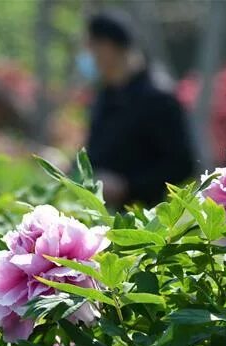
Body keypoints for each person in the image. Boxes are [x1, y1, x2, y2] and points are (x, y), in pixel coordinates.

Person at [80, 10, 197, 207]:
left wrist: (128, 186)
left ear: (108, 47)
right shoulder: (106, 95)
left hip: (145, 218)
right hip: (103, 212)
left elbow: (182, 165)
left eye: (91, 47)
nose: (87, 57)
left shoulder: (158, 97)